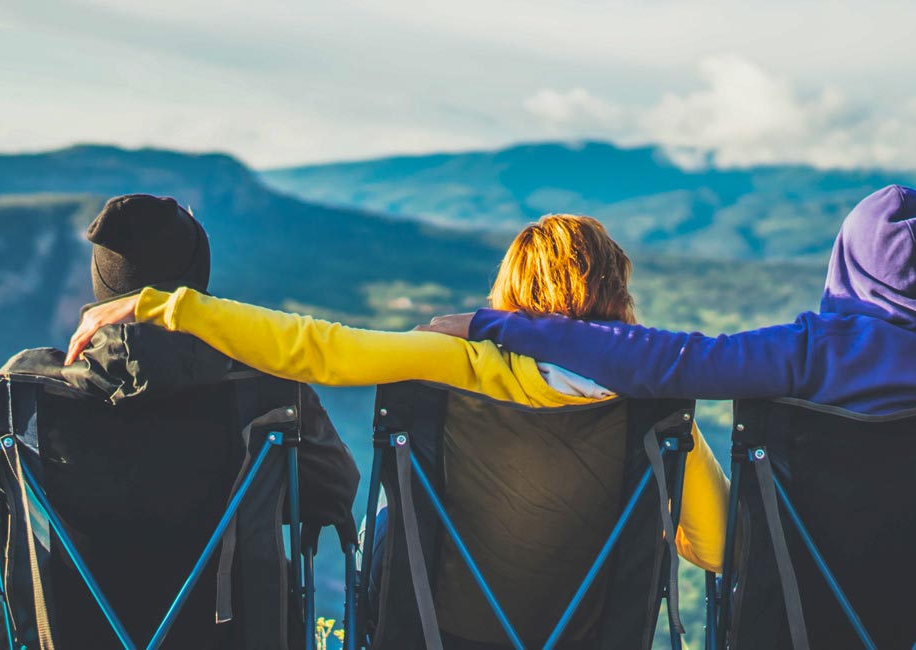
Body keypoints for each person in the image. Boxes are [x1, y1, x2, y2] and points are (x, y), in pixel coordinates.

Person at [67, 213, 728, 648]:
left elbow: (315, 347)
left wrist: (166, 304)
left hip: (437, 631)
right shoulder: (655, 412)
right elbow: (720, 547)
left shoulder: (458, 363)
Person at [420, 185, 916, 549]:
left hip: (803, 612)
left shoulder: (809, 353)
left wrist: (495, 324)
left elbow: (662, 364)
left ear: (846, 269)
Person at [0, 194, 360, 648]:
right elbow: (333, 495)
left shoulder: (21, 393)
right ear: (196, 285)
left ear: (102, 287)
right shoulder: (267, 391)